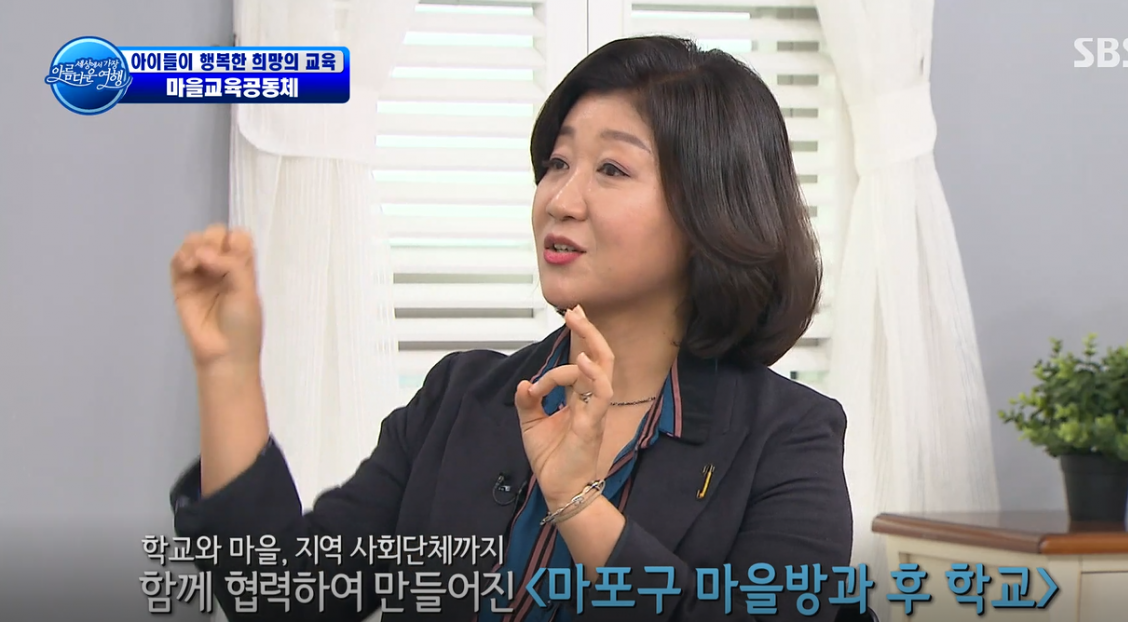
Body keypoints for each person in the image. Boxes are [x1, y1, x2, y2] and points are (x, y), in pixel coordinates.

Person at [168, 35, 853, 622]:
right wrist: (228, 371)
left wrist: (578, 505)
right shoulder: (461, 397)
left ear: (711, 210)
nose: (560, 199)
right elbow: (284, 593)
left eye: (612, 169)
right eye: (557, 163)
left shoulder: (788, 438)